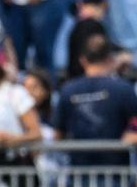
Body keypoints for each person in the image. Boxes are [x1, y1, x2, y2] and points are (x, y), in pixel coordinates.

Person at [53, 36, 137, 170]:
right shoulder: (123, 89)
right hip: (116, 172)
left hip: (79, 173)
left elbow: (57, 134)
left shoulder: (68, 90)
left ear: (83, 60)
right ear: (110, 59)